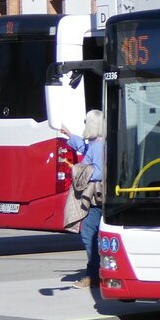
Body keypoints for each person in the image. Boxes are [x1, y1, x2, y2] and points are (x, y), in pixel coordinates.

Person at [60, 110, 104, 289]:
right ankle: (97, 273)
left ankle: (93, 275)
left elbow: (99, 171)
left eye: (86, 122)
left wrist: (79, 170)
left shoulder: (99, 146)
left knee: (89, 234)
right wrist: (70, 135)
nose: (84, 124)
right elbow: (85, 148)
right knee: (93, 234)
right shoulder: (97, 143)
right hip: (98, 198)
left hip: (96, 197)